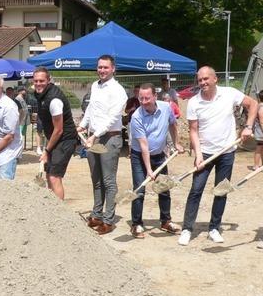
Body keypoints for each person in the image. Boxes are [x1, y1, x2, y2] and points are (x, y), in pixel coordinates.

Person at [178, 66, 258, 246]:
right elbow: (193, 130)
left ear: (215, 79)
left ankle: (214, 227)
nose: (203, 82)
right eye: (200, 80)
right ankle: (187, 229)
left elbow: (253, 104)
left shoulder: (229, 93)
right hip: (204, 153)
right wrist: (198, 155)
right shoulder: (194, 102)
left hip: (227, 153)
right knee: (195, 190)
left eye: (206, 79)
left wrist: (248, 126)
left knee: (221, 191)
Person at [78, 55, 128, 235]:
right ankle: (96, 214)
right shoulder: (94, 85)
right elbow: (91, 109)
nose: (102, 70)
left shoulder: (118, 90)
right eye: (99, 67)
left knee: (108, 180)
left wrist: (95, 135)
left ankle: (108, 219)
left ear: (113, 69)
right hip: (94, 137)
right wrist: (83, 125)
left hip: (109, 138)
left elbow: (114, 117)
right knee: (96, 179)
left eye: (105, 67)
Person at [129, 83, 185, 238]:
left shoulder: (166, 108)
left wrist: (177, 143)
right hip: (139, 156)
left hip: (160, 156)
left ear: (155, 96)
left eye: (147, 98)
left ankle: (166, 221)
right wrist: (148, 170)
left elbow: (173, 125)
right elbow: (144, 145)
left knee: (164, 188)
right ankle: (136, 224)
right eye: (141, 98)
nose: (144, 101)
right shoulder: (136, 117)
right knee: (139, 190)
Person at [32, 67, 78, 199]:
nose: (38, 84)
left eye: (42, 81)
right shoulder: (40, 94)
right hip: (55, 139)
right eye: (36, 81)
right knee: (48, 173)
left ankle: (59, 213)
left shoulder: (54, 100)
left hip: (65, 140)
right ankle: (51, 208)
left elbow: (58, 130)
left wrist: (46, 151)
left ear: (48, 80)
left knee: (54, 176)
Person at [0, 74, 22, 180]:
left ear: (2, 90)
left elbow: (9, 137)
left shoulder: (9, 106)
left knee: (4, 186)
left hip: (7, 152)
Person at [251, 90, 263, 171]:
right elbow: (262, 121)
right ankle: (256, 165)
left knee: (261, 147)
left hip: (260, 131)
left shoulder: (259, 105)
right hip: (261, 131)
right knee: (259, 147)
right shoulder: (261, 107)